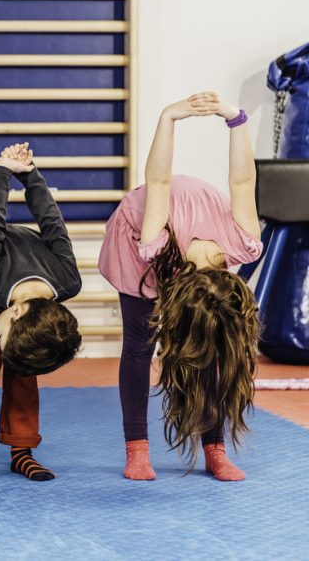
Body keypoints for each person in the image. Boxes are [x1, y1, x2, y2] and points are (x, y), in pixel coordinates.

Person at [99, 92, 262, 481]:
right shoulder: (154, 243)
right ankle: (137, 449)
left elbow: (242, 181)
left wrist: (236, 119)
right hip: (138, 234)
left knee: (212, 348)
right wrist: (168, 116)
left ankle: (215, 449)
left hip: (186, 228)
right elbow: (157, 180)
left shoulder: (242, 242)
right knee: (139, 349)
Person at [0, 143, 83, 485]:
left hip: (22, 280)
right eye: (1, 335)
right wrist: (8, 173)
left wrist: (30, 175)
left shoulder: (67, 282)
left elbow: (52, 226)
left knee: (25, 368)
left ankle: (21, 452)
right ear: (17, 311)